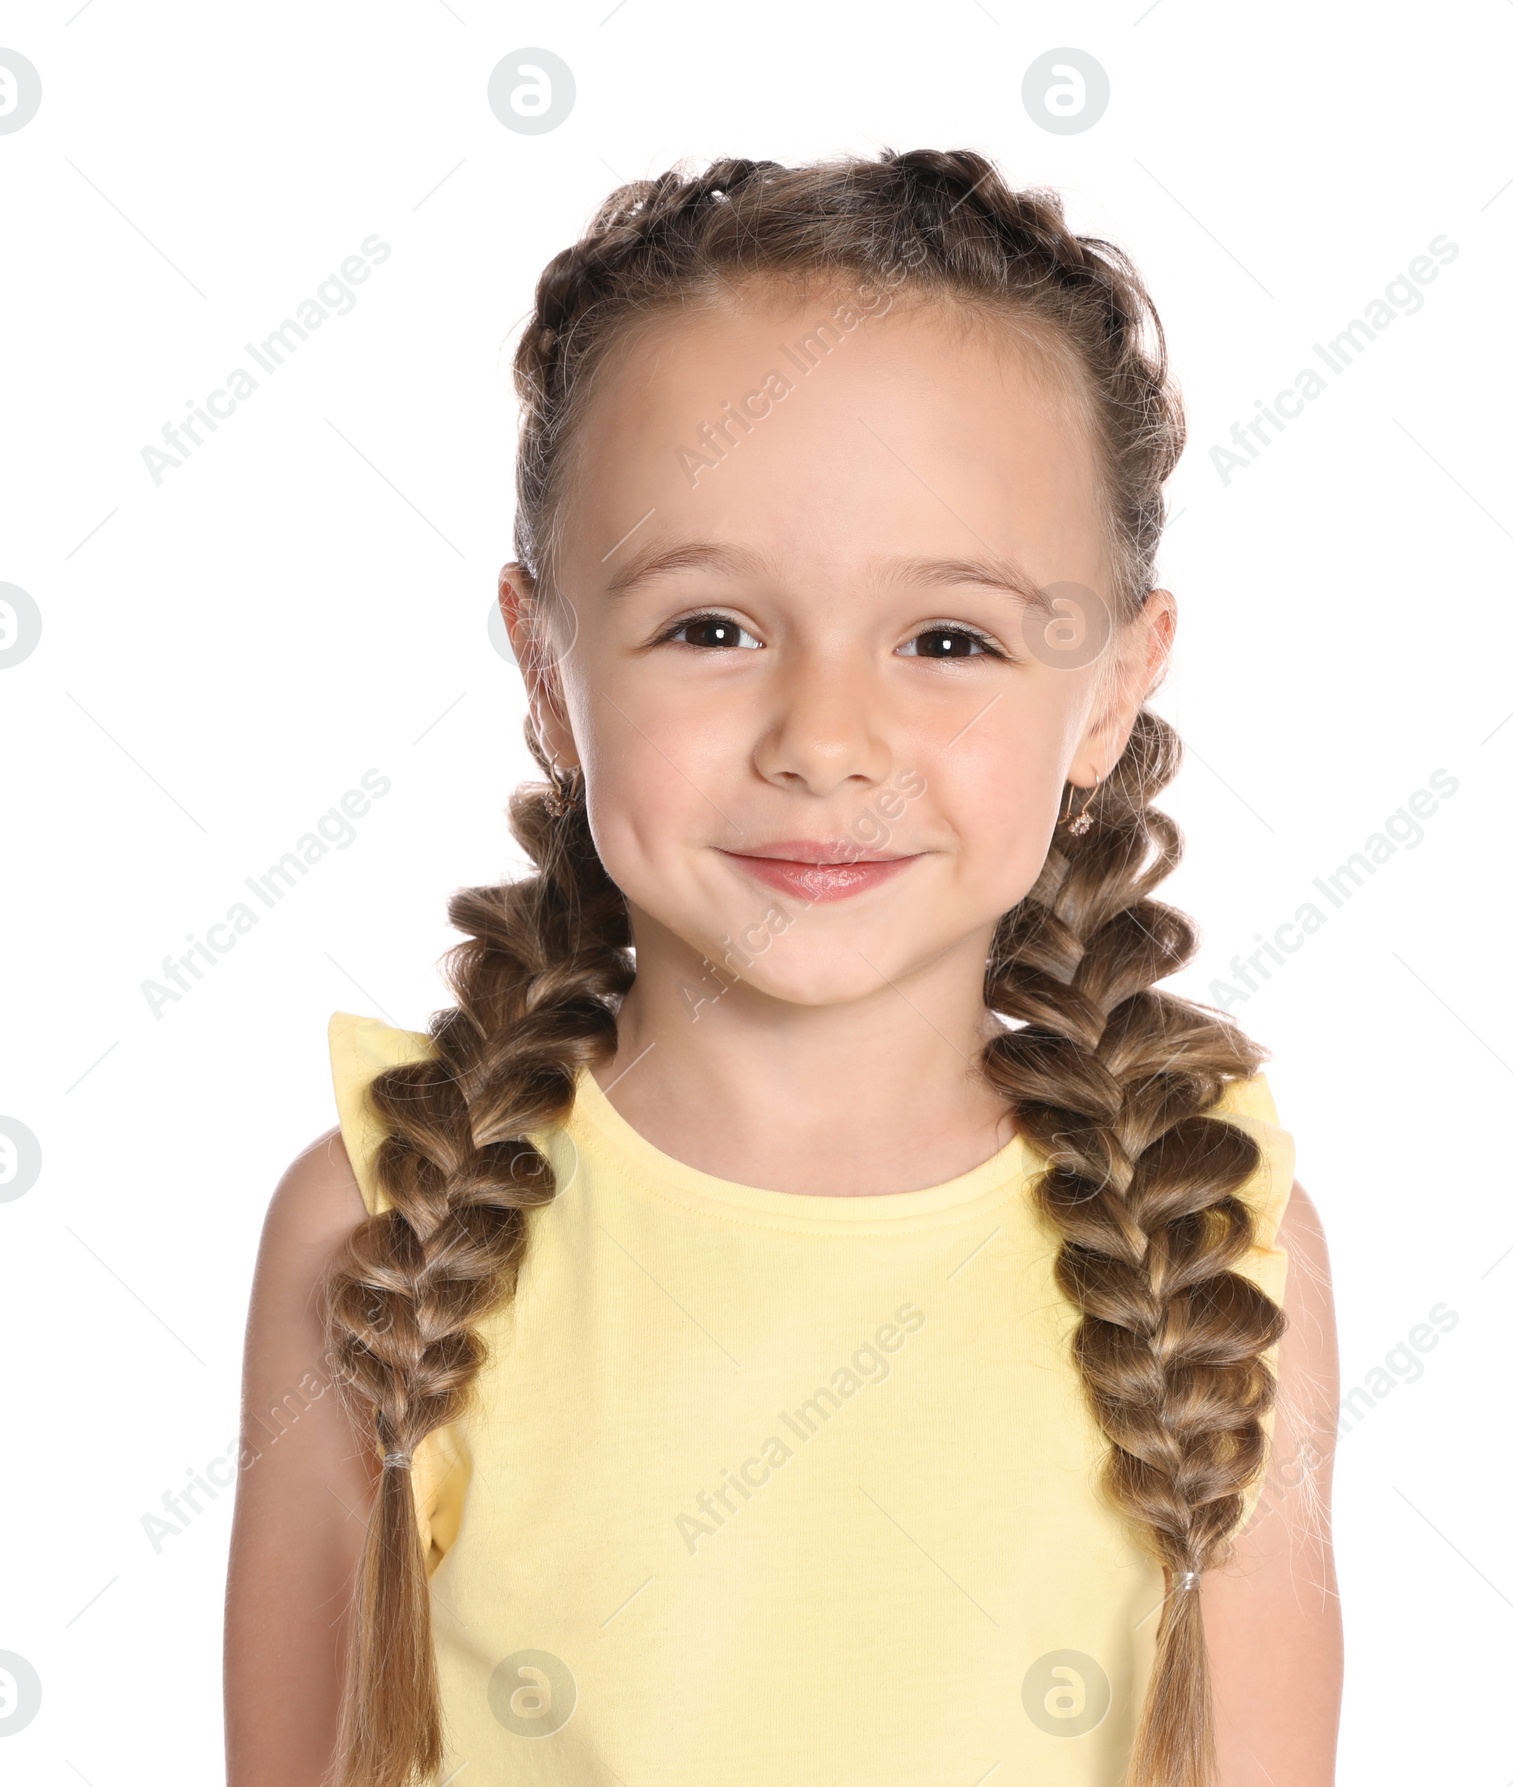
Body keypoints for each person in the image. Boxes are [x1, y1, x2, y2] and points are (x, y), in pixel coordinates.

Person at [224, 147, 1342, 1787]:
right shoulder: (381, 1219)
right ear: (547, 665)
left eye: (948, 639)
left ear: (1111, 685)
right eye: (712, 627)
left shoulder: (1220, 1244)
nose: (826, 742)